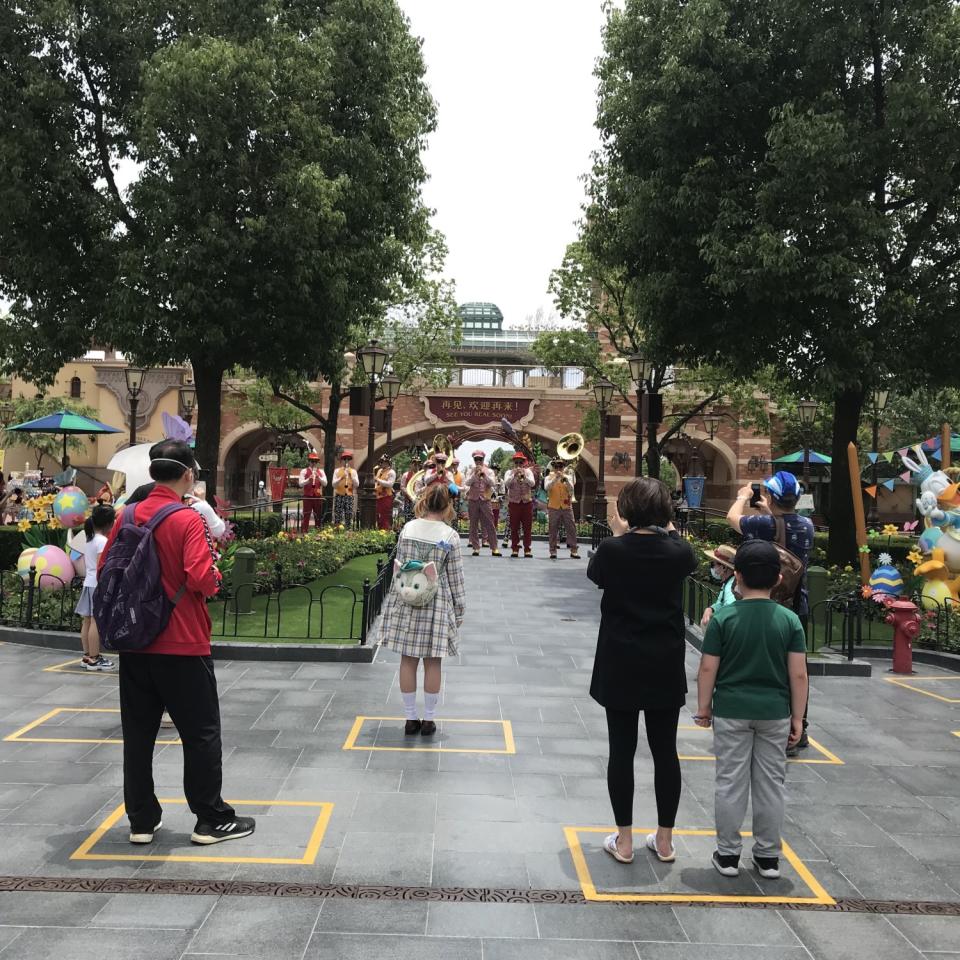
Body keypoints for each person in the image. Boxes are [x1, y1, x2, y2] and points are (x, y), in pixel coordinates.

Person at [98, 440, 254, 847]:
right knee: (201, 733)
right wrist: (217, 578)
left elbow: (104, 569)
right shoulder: (187, 519)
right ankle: (210, 818)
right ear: (188, 474)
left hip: (135, 641)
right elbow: (202, 578)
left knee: (138, 734)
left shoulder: (127, 514)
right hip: (182, 640)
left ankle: (142, 820)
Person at [587, 477, 697, 865]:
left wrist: (620, 532)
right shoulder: (680, 552)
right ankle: (665, 841)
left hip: (620, 660)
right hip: (664, 660)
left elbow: (596, 576)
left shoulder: (612, 550)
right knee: (665, 750)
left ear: (627, 510)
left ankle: (626, 840)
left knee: (622, 749)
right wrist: (658, 525)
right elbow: (679, 546)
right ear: (666, 512)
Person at [694, 540, 809, 880]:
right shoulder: (789, 621)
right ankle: (768, 856)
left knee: (730, 781)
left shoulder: (724, 618)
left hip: (731, 710)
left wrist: (704, 708)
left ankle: (728, 855)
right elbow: (799, 673)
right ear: (777, 579)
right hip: (775, 712)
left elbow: (707, 669)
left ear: (737, 577)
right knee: (771, 784)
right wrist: (798, 717)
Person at [727, 470, 814, 757]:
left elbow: (732, 520)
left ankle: (764, 723)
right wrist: (771, 512)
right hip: (796, 604)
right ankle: (799, 728)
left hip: (768, 603)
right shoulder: (808, 525)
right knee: (797, 667)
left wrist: (741, 498)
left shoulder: (764, 524)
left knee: (768, 663)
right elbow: (785, 528)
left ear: (773, 497)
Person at [376, 484, 466, 736]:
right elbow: (456, 577)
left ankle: (409, 717)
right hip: (435, 602)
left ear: (424, 501)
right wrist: (459, 609)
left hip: (408, 598)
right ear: (448, 505)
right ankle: (428, 719)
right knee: (433, 662)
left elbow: (403, 565)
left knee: (407, 660)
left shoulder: (408, 528)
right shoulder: (450, 536)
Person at [76, 504, 117, 671]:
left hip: (89, 583)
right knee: (95, 621)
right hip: (97, 585)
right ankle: (94, 658)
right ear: (109, 523)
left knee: (87, 620)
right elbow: (103, 566)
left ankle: (87, 656)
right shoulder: (102, 541)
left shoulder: (91, 539)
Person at [464, 450, 501, 557]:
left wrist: (484, 475)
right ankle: (476, 548)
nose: (478, 461)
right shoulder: (470, 471)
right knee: (473, 524)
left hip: (485, 500)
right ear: (474, 460)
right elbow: (467, 482)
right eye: (476, 459)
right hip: (473, 500)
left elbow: (493, 483)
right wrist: (474, 475)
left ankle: (494, 548)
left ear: (483, 459)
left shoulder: (489, 471)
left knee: (490, 523)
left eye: (480, 459)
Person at [545, 459, 580, 560]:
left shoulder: (568, 477)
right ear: (553, 468)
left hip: (566, 507)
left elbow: (571, 490)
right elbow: (547, 488)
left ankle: (574, 550)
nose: (558, 469)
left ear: (563, 467)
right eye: (556, 467)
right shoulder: (548, 477)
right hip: (553, 507)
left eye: (560, 467)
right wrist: (555, 478)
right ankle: (553, 551)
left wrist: (565, 479)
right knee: (553, 529)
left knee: (571, 528)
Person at [504, 452, 536, 558]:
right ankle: (515, 549)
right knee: (514, 527)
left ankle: (527, 549)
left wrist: (524, 476)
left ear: (524, 463)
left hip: (527, 503)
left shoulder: (528, 472)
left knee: (527, 527)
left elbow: (532, 484)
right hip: (514, 503)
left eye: (521, 462)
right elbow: (507, 484)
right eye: (516, 462)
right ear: (514, 462)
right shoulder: (509, 472)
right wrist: (514, 475)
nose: (518, 464)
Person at [699, 544, 738, 629]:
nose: (712, 568)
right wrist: (711, 609)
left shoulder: (731, 587)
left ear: (724, 567)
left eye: (713, 564)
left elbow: (729, 613)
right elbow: (721, 602)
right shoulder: (728, 582)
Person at [298, 452, 327, 533]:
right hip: (307, 496)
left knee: (318, 515)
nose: (314, 463)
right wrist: (308, 480)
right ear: (309, 461)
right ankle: (304, 532)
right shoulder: (304, 471)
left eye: (315, 461)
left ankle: (318, 532)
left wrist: (319, 478)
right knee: (306, 515)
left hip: (317, 496)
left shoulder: (321, 471)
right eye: (312, 461)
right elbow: (300, 483)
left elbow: (325, 483)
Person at [331, 451, 358, 527]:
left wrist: (351, 476)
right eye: (344, 459)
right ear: (342, 460)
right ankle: (337, 531)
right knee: (338, 515)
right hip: (339, 495)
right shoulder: (337, 471)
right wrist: (341, 478)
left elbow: (357, 484)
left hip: (349, 496)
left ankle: (348, 532)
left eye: (348, 459)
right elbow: (333, 484)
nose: (346, 461)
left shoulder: (353, 471)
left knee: (349, 515)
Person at [374, 454, 396, 531]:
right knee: (378, 516)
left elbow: (390, 484)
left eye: (384, 462)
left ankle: (385, 532)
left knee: (385, 516)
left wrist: (378, 480)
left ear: (388, 463)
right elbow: (376, 483)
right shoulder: (379, 471)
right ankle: (379, 531)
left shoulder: (391, 472)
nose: (382, 463)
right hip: (378, 496)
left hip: (386, 497)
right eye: (382, 462)